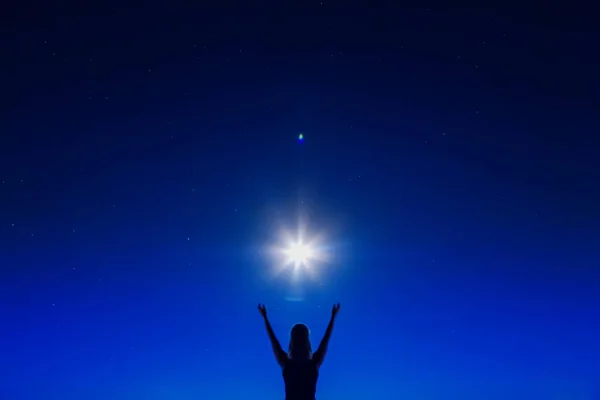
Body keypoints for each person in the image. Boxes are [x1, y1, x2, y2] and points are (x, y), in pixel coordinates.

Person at [258, 302, 341, 400]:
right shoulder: (313, 363)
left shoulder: (286, 363)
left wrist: (265, 318)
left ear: (292, 341)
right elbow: (326, 340)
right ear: (307, 341)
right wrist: (333, 318)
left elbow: (273, 340)